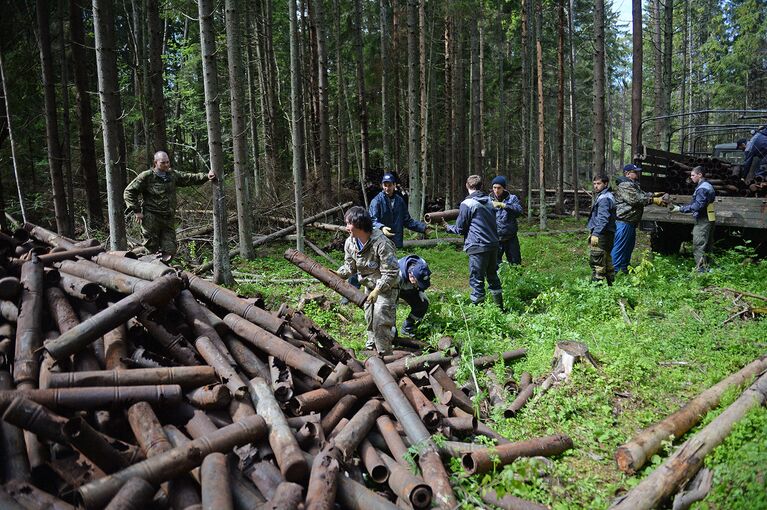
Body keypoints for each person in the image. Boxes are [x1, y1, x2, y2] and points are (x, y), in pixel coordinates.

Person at [124, 151, 215, 259]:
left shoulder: (172, 175)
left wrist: (206, 176)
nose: (166, 165)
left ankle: (165, 271)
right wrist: (136, 211)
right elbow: (129, 192)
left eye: (168, 162)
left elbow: (189, 178)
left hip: (167, 219)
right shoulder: (147, 176)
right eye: (163, 163)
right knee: (151, 249)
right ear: (155, 163)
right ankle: (151, 272)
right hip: (151, 218)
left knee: (170, 250)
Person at [335, 206, 400, 355]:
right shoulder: (350, 243)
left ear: (359, 224)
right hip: (369, 286)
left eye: (348, 224)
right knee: (370, 318)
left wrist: (378, 290)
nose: (346, 228)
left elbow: (391, 272)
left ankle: (385, 354)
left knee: (381, 319)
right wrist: (338, 274)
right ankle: (372, 350)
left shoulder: (382, 243)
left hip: (387, 288)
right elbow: (350, 267)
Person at [442, 175, 503, 308]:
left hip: (477, 246)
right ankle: (499, 309)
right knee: (493, 277)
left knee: (477, 280)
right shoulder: (489, 201)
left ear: (467, 186)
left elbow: (460, 228)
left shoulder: (467, 204)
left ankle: (478, 313)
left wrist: (447, 227)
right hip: (493, 245)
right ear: (481, 186)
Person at [611, 164, 668, 273]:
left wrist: (653, 194)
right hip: (624, 222)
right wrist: (654, 200)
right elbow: (636, 199)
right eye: (635, 172)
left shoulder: (632, 184)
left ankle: (624, 269)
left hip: (630, 222)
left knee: (627, 248)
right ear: (628, 173)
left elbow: (642, 194)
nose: (637, 174)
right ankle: (614, 272)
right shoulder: (625, 185)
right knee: (620, 248)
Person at [669, 166, 716, 272]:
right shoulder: (707, 185)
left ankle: (701, 271)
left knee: (698, 243)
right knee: (707, 243)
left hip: (703, 219)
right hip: (709, 217)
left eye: (693, 175)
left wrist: (680, 209)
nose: (691, 177)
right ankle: (708, 268)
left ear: (700, 175)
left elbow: (698, 206)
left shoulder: (702, 188)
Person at [369, 172, 431, 248]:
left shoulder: (399, 201)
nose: (387, 188)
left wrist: (423, 228)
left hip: (397, 243)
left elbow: (407, 221)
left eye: (390, 185)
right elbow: (372, 220)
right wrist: (382, 227)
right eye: (385, 185)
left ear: (394, 185)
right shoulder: (376, 201)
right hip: (381, 242)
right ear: (382, 185)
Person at [587, 174, 617, 285]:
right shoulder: (607, 195)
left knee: (597, 263)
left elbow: (603, 219)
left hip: (602, 235)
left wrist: (595, 233)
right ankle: (612, 287)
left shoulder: (604, 198)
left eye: (599, 183)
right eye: (594, 184)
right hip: (608, 234)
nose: (596, 186)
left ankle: (594, 292)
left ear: (605, 184)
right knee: (608, 262)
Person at [490, 176, 523, 265]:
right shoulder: (488, 200)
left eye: (499, 188)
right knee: (493, 264)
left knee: (516, 263)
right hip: (495, 238)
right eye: (494, 188)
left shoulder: (512, 198)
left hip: (510, 237)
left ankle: (517, 279)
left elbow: (519, 211)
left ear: (503, 188)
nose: (496, 190)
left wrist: (503, 205)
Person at [398, 254, 431, 337]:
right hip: (394, 288)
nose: (417, 285)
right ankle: (390, 331)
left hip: (408, 286)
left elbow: (424, 279)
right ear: (411, 276)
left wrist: (420, 290)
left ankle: (408, 328)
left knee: (422, 304)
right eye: (417, 283)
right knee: (389, 310)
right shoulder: (397, 275)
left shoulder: (422, 265)